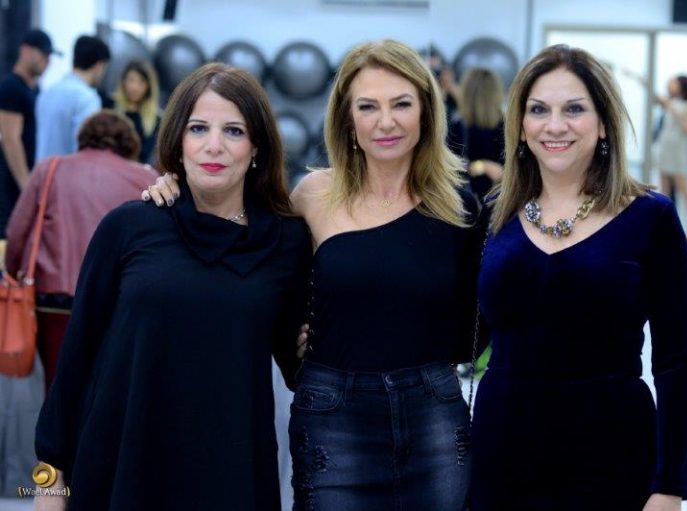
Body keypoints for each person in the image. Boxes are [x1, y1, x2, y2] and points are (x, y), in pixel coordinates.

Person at [146, 39, 481, 511]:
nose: (385, 121)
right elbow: (242, 247)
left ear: (426, 112)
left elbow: (476, 318)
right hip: (335, 418)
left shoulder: (459, 207)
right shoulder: (313, 195)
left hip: (434, 417)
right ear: (347, 118)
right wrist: (177, 189)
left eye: (401, 104)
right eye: (368, 106)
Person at [32, 63, 311, 511]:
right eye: (198, 128)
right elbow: (76, 359)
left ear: (257, 145)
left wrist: (311, 344)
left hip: (229, 473)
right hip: (121, 465)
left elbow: (297, 364)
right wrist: (48, 482)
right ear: (178, 140)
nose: (214, 145)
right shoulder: (128, 227)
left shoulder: (286, 241)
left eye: (234, 131)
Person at [471, 44, 687, 511]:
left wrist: (670, 484)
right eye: (539, 110)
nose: (555, 125)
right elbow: (465, 336)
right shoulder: (494, 214)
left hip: (614, 456)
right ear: (521, 126)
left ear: (604, 123)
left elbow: (674, 363)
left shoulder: (650, 218)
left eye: (574, 109)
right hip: (503, 453)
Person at [5, 110, 158, 390]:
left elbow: (17, 231)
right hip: (116, 298)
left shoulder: (50, 169)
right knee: (106, 382)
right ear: (129, 144)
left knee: (57, 380)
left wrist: (14, 273)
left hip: (53, 296)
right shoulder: (145, 179)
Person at [0, 29, 57, 237]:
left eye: (49, 56)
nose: (47, 61)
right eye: (43, 54)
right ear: (25, 50)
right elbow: (10, 140)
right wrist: (27, 187)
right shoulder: (11, 87)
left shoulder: (35, 90)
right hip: (10, 185)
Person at [35, 35, 110, 161]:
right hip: (68, 172)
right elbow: (85, 149)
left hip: (43, 171)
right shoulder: (87, 98)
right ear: (98, 66)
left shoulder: (48, 92)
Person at [448, 67, 505, 200]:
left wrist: (478, 166)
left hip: (464, 200)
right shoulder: (506, 127)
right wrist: (484, 166)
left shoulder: (456, 126)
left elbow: (451, 167)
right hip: (498, 199)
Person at [655, 75, 687, 240]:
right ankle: (664, 226)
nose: (671, 85)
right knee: (664, 189)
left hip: (678, 150)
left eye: (674, 83)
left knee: (684, 188)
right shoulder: (672, 101)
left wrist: (671, 106)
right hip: (665, 147)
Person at [112, 59, 161, 164]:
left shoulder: (156, 119)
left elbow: (145, 156)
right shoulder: (110, 106)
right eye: (131, 80)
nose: (135, 87)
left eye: (141, 82)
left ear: (149, 86)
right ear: (123, 81)